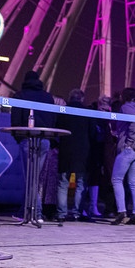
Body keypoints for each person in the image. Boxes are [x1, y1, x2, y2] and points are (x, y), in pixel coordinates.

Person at [11, 70, 56, 221]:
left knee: (31, 178)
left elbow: (15, 120)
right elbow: (53, 119)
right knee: (35, 177)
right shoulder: (48, 97)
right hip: (44, 140)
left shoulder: (20, 95)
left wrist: (19, 138)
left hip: (27, 138)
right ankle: (24, 211)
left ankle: (36, 213)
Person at [55, 89, 94, 221]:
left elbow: (57, 129)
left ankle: (61, 214)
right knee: (81, 184)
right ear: (82, 99)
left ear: (70, 98)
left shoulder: (63, 111)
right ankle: (77, 212)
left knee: (63, 183)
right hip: (83, 152)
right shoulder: (87, 112)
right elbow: (93, 133)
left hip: (66, 150)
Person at [111, 87, 135, 225]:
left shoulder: (126, 107)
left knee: (116, 179)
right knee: (133, 182)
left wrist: (128, 142)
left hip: (130, 149)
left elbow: (134, 124)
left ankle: (121, 211)